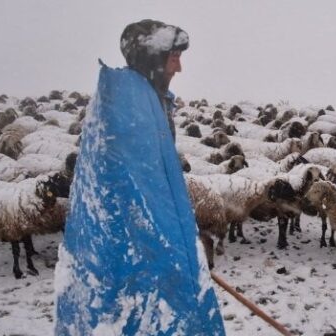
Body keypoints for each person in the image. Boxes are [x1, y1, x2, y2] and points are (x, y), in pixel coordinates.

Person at [54, 20, 225, 335]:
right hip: (131, 243)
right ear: (153, 59)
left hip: (144, 239)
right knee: (134, 310)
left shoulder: (144, 100)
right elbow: (135, 193)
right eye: (174, 57)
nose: (180, 67)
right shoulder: (127, 106)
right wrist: (168, 247)